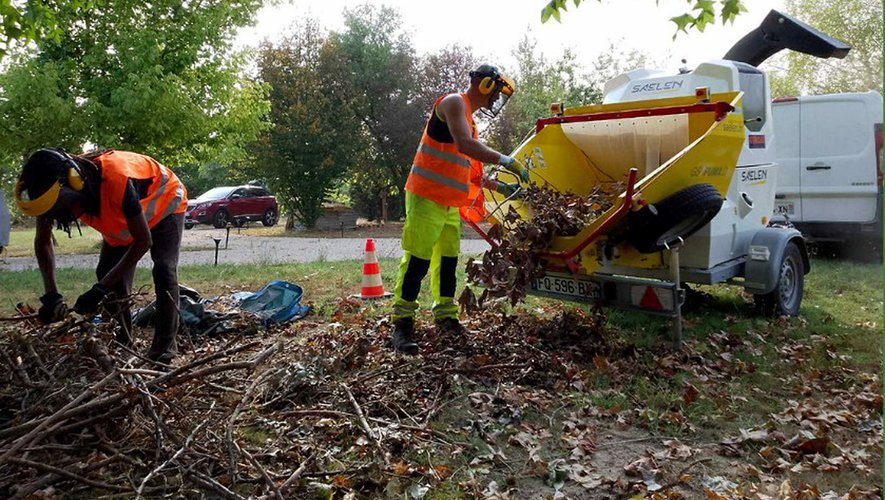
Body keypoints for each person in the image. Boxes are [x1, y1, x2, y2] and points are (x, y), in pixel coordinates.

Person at [390, 64, 529, 355]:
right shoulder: (454, 103)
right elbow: (465, 146)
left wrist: (501, 188)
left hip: (451, 203)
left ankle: (445, 316)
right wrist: (507, 160)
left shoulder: (471, 123)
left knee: (448, 263)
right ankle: (402, 323)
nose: (496, 99)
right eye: (496, 92)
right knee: (417, 260)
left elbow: (470, 172)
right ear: (485, 85)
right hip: (426, 196)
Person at [15, 148, 188, 365]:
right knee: (106, 273)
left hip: (165, 203)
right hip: (127, 219)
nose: (60, 217)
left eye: (62, 209)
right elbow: (43, 241)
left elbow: (143, 241)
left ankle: (164, 352)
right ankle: (122, 344)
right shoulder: (48, 191)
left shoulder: (116, 178)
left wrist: (100, 289)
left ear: (75, 182)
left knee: (164, 269)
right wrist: (52, 294)